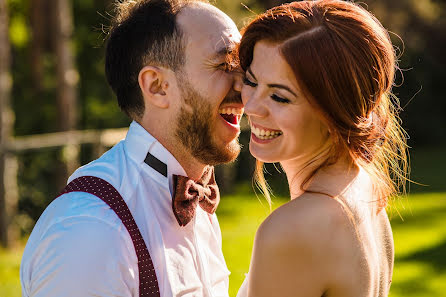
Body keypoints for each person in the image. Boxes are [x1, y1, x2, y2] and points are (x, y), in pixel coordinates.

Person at [20, 0, 243, 296]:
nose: (246, 87)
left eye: (243, 67)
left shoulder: (198, 207)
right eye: (225, 65)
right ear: (157, 86)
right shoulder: (91, 230)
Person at [235, 1, 408, 296]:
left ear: (334, 109)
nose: (250, 106)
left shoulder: (294, 229)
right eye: (251, 81)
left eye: (279, 97)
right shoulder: (362, 187)